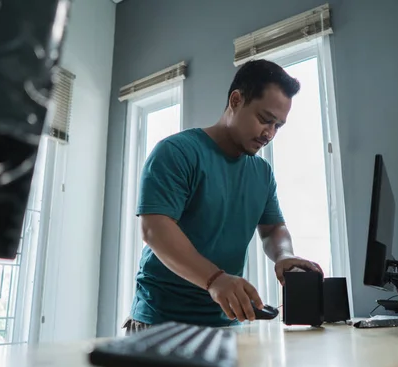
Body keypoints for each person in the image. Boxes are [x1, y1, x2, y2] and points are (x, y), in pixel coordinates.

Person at [123, 59, 323, 334]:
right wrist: (215, 280)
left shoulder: (262, 173)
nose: (270, 133)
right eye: (265, 119)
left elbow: (273, 228)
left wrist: (284, 256)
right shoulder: (176, 152)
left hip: (226, 324)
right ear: (236, 100)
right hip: (160, 322)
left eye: (278, 126)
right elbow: (154, 230)